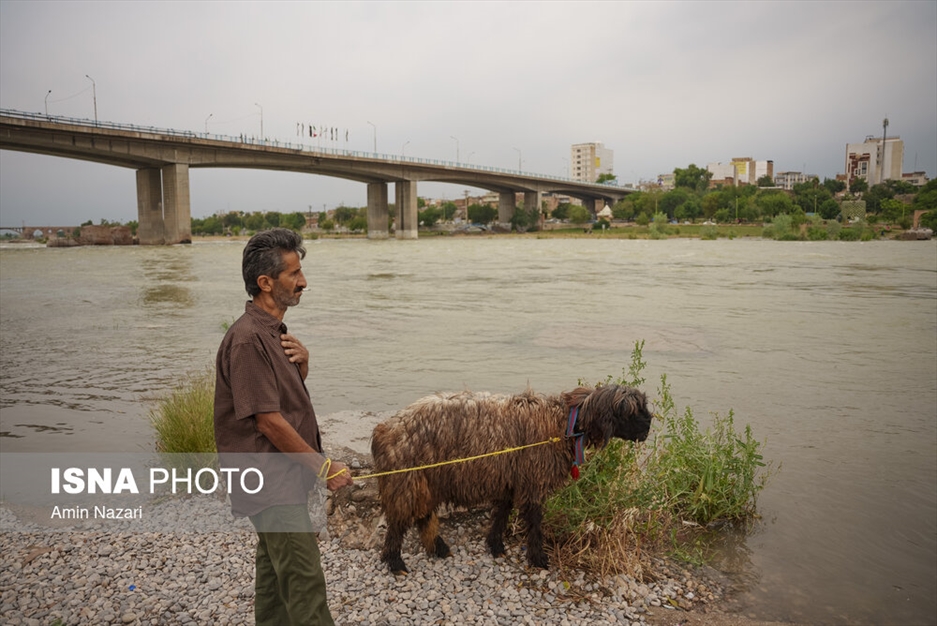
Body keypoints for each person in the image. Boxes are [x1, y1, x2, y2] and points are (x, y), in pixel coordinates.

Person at [214, 227, 354, 626]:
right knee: (305, 585)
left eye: (300, 271)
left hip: (278, 480)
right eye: (293, 273)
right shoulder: (247, 340)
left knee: (275, 583)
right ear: (265, 282)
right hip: (270, 483)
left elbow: (276, 404)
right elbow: (269, 422)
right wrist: (325, 468)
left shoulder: (273, 334)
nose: (303, 281)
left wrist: (303, 368)